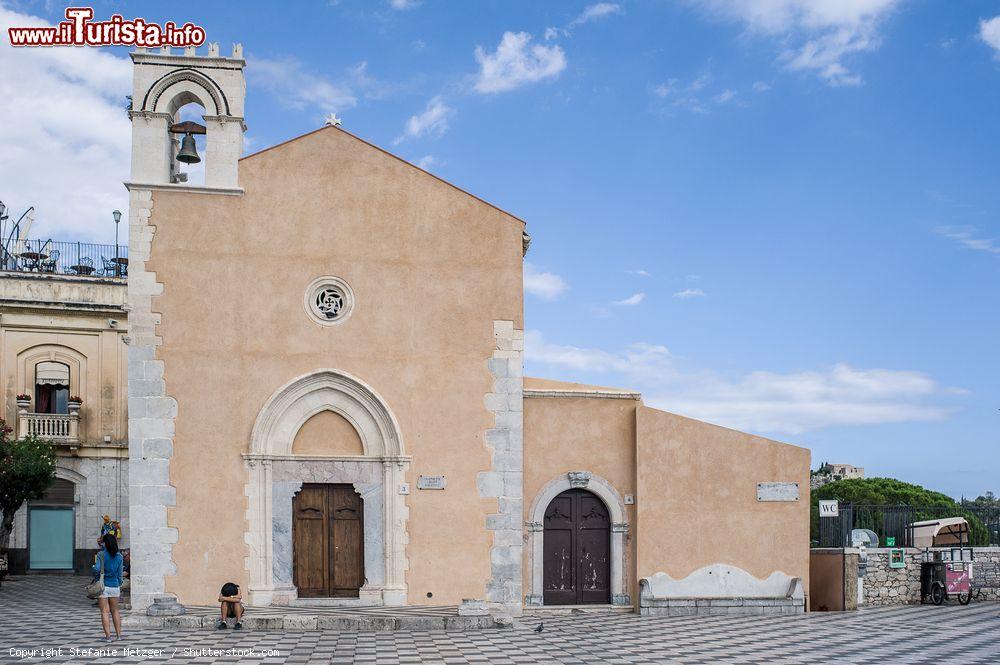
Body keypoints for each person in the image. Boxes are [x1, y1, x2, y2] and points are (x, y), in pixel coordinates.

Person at [92, 533, 124, 642]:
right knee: (115, 611)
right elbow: (120, 574)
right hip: (115, 585)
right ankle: (119, 636)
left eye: (103, 542)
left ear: (105, 543)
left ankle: (108, 637)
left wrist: (94, 569)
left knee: (104, 611)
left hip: (103, 586)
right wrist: (118, 583)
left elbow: (96, 569)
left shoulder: (101, 554)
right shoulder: (119, 556)